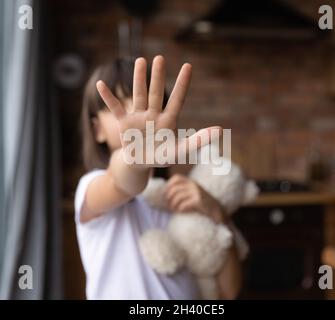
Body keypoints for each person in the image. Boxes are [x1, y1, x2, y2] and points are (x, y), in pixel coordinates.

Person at [75, 55, 242, 299]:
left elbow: (230, 290)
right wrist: (136, 158)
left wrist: (218, 214)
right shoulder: (90, 187)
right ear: (97, 130)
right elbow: (121, 182)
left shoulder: (186, 195)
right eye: (119, 104)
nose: (135, 112)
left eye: (142, 103)